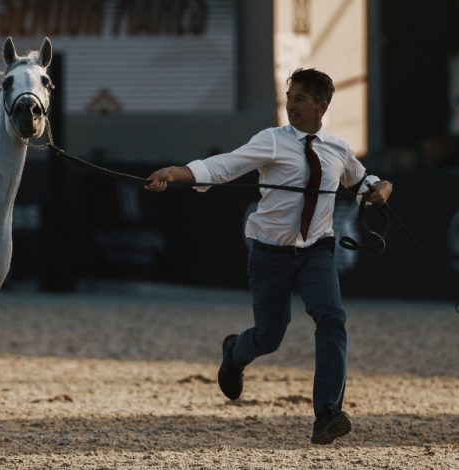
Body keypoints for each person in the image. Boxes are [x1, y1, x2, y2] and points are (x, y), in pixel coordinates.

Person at [145, 68, 393, 444]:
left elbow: (362, 183)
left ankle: (328, 413)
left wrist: (381, 189)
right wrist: (177, 173)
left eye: (300, 98)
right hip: (271, 254)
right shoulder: (272, 141)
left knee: (332, 318)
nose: (291, 104)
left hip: (317, 250)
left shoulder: (338, 149)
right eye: (289, 96)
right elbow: (223, 166)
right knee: (269, 336)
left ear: (321, 105)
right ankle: (234, 353)